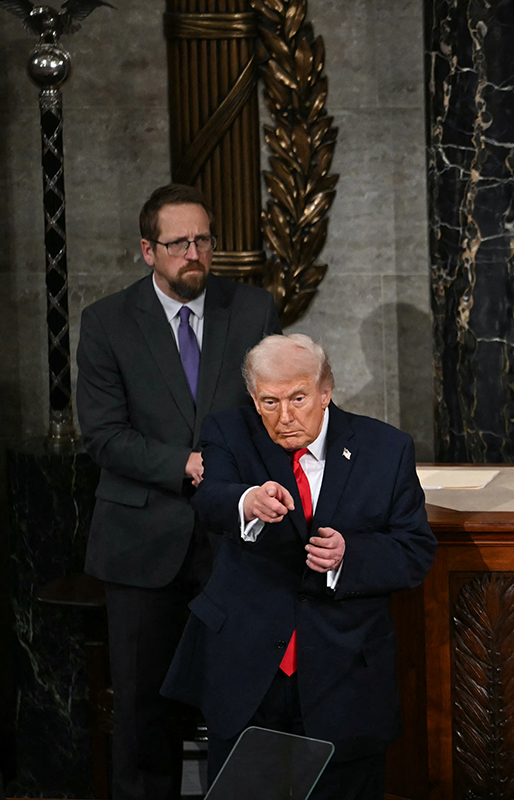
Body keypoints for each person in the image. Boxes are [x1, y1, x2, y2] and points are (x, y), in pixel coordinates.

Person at [161, 334, 437, 800]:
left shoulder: (385, 448)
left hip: (345, 676)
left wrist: (349, 556)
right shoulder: (229, 432)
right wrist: (247, 501)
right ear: (254, 398)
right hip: (248, 674)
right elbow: (210, 498)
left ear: (325, 391)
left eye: (298, 398)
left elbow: (415, 550)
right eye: (269, 401)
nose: (285, 416)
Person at [76, 183, 281, 800]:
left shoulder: (252, 312)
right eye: (178, 243)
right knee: (144, 718)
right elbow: (105, 437)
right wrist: (189, 464)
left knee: (241, 708)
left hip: (234, 540)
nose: (193, 253)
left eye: (203, 240)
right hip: (142, 543)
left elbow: (272, 414)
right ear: (147, 249)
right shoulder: (107, 322)